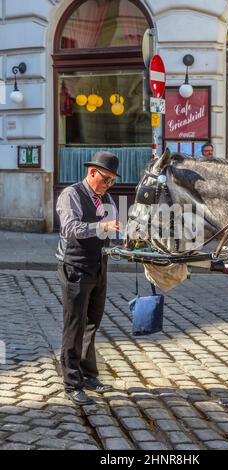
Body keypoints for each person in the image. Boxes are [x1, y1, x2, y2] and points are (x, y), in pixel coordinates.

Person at [56, 151, 122, 406]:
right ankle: (72, 383)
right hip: (74, 266)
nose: (109, 185)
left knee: (92, 322)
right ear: (92, 172)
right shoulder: (71, 194)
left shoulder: (105, 197)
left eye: (113, 181)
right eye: (106, 179)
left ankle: (90, 375)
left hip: (98, 265)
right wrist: (102, 227)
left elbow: (115, 225)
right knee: (74, 326)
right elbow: (70, 229)